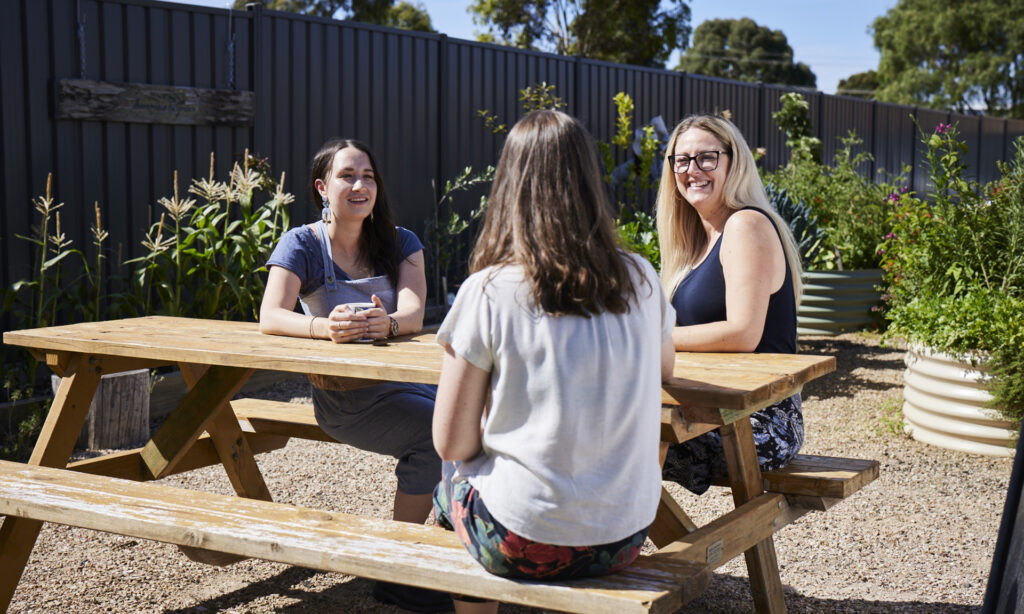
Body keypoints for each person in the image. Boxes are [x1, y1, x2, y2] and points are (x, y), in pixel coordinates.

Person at [431, 110, 676, 614]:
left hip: (523, 537)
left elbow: (450, 440)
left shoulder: (490, 289)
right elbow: (664, 368)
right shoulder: (642, 278)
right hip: (626, 534)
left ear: (509, 185)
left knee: (443, 494)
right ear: (588, 181)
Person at [259, 138, 451, 613]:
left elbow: (413, 312)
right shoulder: (302, 243)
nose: (361, 185)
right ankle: (398, 570)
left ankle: (458, 547)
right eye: (347, 176)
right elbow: (270, 315)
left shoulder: (401, 240)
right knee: (436, 436)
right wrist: (324, 328)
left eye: (368, 176)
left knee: (476, 423)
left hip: (415, 381)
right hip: (349, 399)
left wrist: (384, 323)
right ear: (323, 187)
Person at [655, 113, 805, 495]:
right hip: (708, 411)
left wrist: (655, 337)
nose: (693, 169)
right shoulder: (693, 243)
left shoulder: (746, 224)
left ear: (733, 162)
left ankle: (596, 550)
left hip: (759, 422)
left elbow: (743, 333)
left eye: (707, 157)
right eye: (682, 160)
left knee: (603, 442)